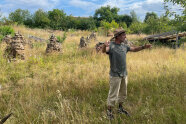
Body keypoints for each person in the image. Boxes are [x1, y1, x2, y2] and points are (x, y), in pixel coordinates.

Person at [102, 28, 152, 120]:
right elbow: (104, 51)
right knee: (113, 94)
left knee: (123, 93)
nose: (125, 36)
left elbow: (134, 49)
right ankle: (109, 112)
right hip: (115, 75)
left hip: (124, 74)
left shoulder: (124, 46)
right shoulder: (111, 45)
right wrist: (105, 46)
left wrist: (143, 47)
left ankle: (120, 109)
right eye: (123, 35)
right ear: (118, 36)